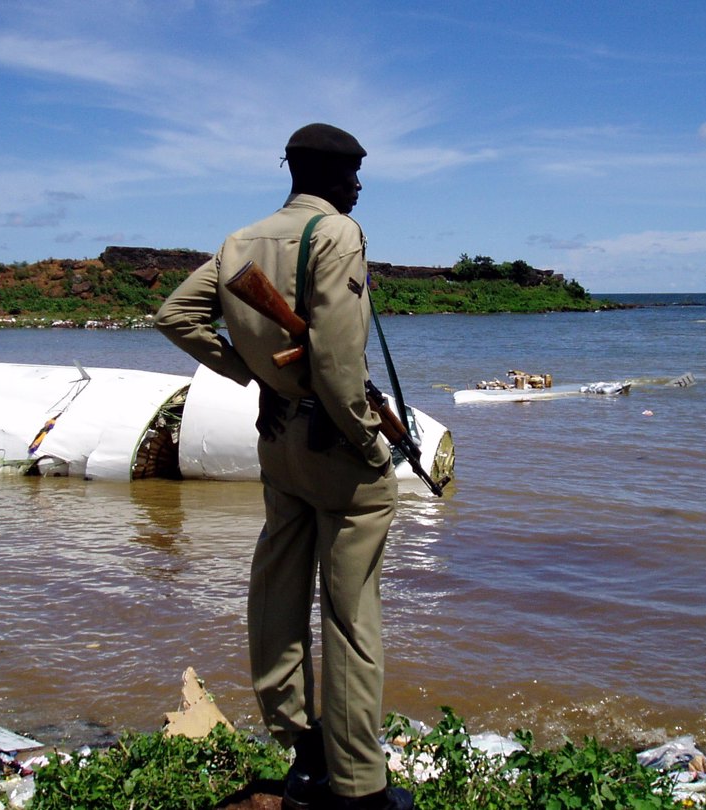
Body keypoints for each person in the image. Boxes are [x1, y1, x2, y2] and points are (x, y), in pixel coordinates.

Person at [155, 123, 412, 810]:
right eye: (353, 175)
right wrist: (367, 438)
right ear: (326, 177)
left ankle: (299, 741)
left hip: (278, 437)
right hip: (337, 443)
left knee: (277, 588)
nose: (358, 187)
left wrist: (257, 375)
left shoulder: (240, 240)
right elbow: (333, 355)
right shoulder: (338, 235)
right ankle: (358, 783)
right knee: (352, 616)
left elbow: (176, 315)